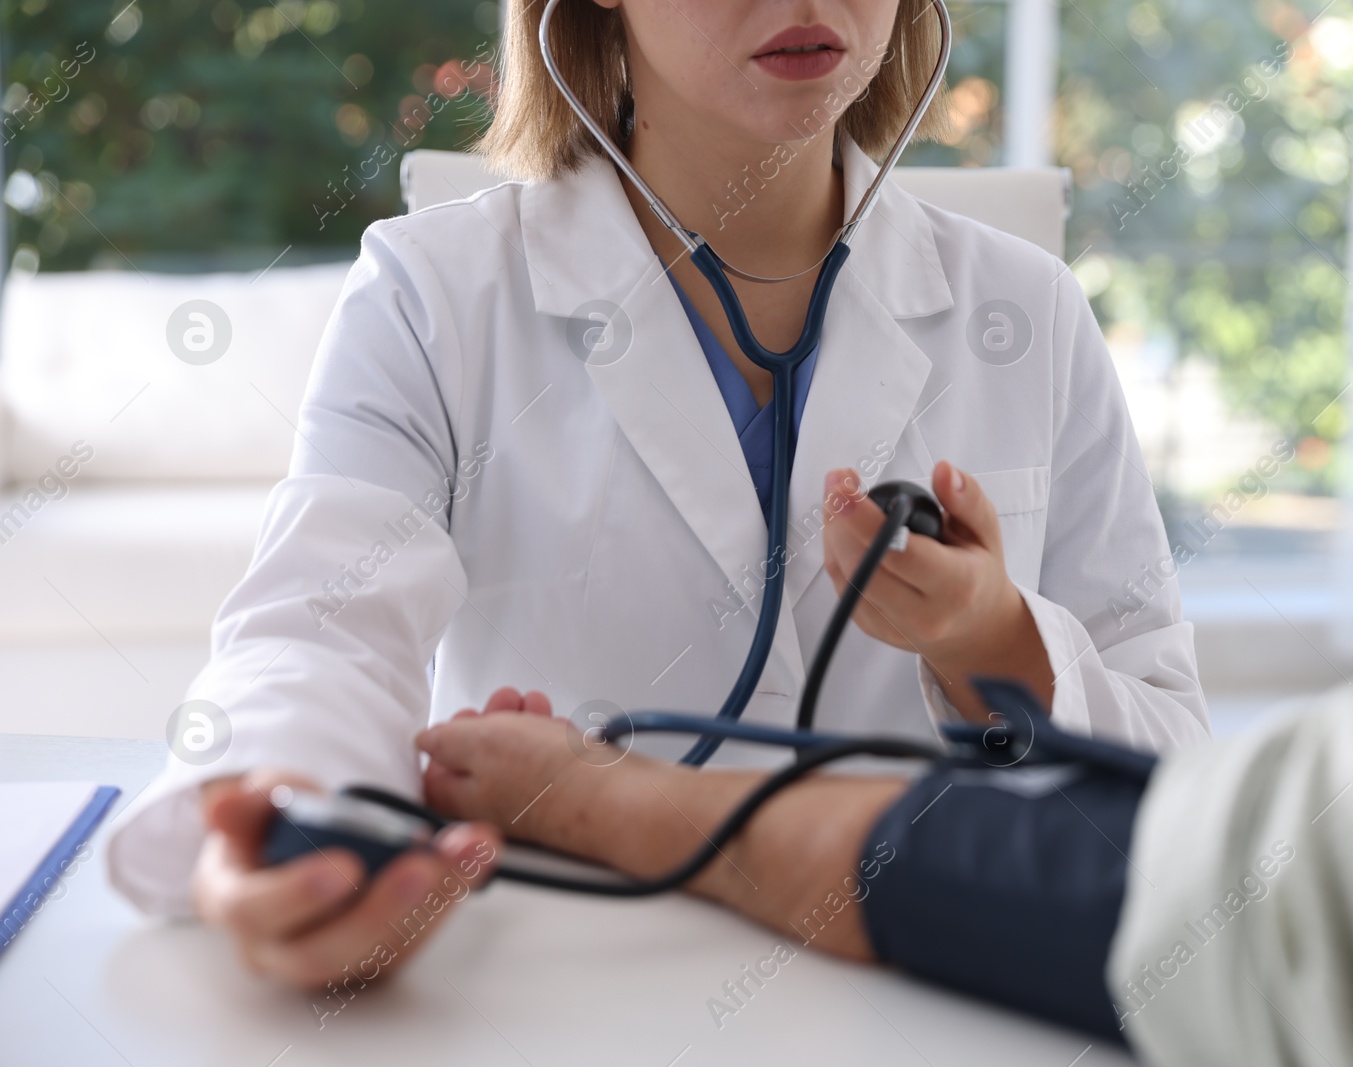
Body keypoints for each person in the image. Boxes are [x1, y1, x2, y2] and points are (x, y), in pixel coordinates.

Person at [107, 0, 1209, 987]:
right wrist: (285, 819)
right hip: (567, 979)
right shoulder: (430, 297)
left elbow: (1180, 776)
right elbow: (315, 634)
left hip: (923, 980)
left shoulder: (1028, 309)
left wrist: (996, 640)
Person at [410, 546, 1353, 1066]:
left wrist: (991, 641)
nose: (807, 8)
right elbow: (304, 631)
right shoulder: (436, 279)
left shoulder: (1019, 292)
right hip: (550, 967)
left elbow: (1191, 824)